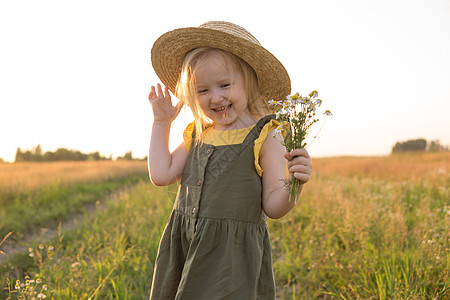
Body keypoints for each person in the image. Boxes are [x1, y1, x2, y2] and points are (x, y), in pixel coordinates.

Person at [147, 21, 312, 299]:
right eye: (203, 90)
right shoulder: (199, 134)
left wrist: (294, 185)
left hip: (231, 260)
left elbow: (272, 206)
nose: (216, 97)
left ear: (249, 81)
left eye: (225, 85)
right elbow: (161, 175)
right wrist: (161, 123)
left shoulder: (266, 135)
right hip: (187, 246)